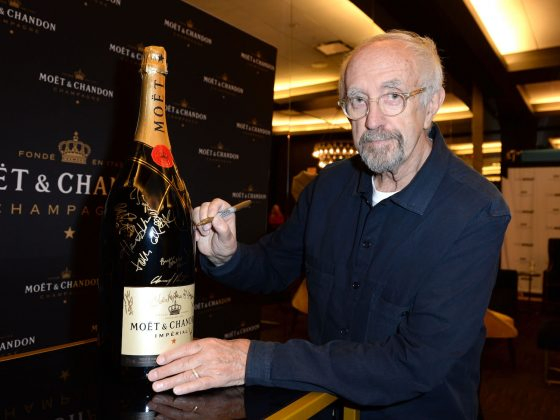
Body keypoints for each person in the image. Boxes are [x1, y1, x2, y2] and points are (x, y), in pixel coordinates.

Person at [147, 30, 511, 419]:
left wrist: (251, 360)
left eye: (393, 96)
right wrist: (227, 255)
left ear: (431, 103)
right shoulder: (329, 186)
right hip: (320, 408)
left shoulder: (476, 210)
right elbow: (273, 266)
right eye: (358, 100)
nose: (372, 120)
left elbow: (413, 364)